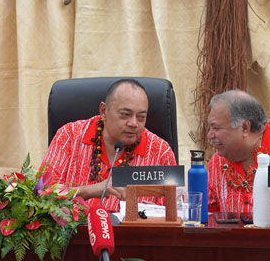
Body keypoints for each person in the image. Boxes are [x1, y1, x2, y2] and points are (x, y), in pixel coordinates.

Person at [41, 78, 177, 212]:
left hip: (135, 234)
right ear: (103, 111)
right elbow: (42, 195)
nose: (134, 123)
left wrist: (155, 213)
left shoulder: (160, 152)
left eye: (141, 117)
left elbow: (176, 210)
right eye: (125, 115)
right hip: (77, 233)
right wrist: (89, 190)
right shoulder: (69, 136)